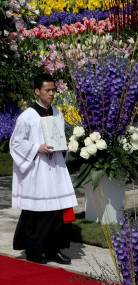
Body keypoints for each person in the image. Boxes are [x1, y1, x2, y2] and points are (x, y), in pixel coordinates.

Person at [11, 73, 77, 265]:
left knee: (57, 211)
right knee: (39, 212)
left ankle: (54, 249)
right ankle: (34, 250)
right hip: (37, 170)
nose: (51, 94)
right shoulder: (27, 117)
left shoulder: (57, 113)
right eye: (47, 90)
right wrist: (36, 148)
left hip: (55, 167)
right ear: (37, 91)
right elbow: (16, 144)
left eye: (53, 90)